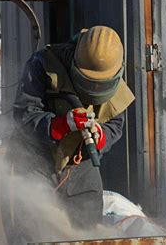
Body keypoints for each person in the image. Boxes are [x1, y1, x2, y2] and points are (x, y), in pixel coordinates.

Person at [9, 26, 135, 238]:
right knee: (32, 230)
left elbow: (115, 125)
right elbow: (23, 116)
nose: (94, 91)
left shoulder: (115, 74)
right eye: (89, 83)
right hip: (35, 161)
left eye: (99, 86)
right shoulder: (42, 65)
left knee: (87, 234)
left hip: (82, 165)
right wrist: (60, 125)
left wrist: (100, 136)